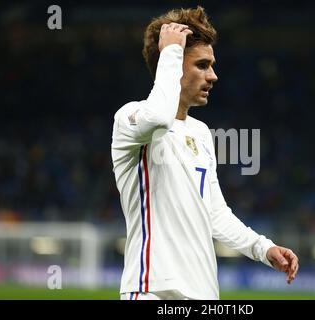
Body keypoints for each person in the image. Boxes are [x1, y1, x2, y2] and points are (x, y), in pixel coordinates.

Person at [111, 6, 299, 300]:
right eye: (201, 65)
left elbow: (215, 214)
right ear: (170, 65)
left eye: (211, 65)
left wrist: (263, 248)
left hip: (202, 293)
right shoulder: (130, 119)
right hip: (151, 290)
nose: (213, 76)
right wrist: (171, 50)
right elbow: (159, 118)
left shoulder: (200, 134)